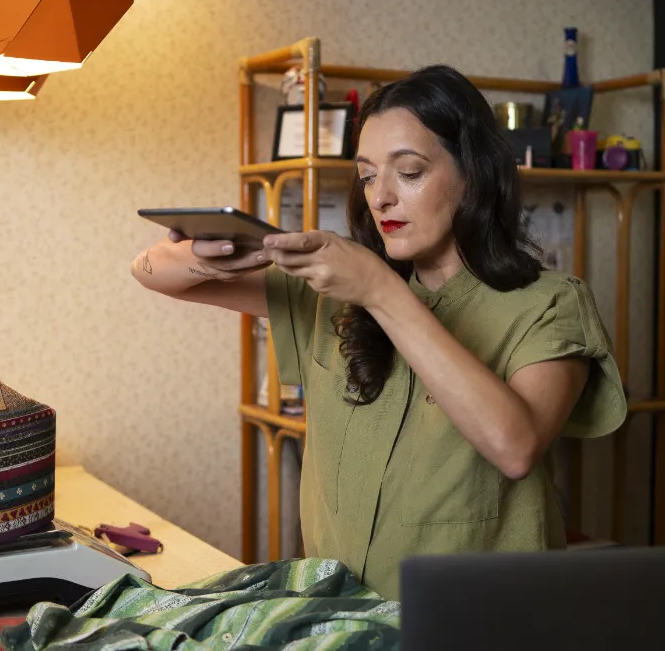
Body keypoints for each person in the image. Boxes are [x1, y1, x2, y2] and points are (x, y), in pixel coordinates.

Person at [131, 65, 627, 600]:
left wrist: (381, 293)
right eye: (368, 175)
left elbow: (515, 446)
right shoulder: (331, 289)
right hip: (339, 618)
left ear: (474, 174)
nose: (381, 197)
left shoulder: (549, 303)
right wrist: (220, 258)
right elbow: (150, 270)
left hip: (479, 623)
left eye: (408, 172)